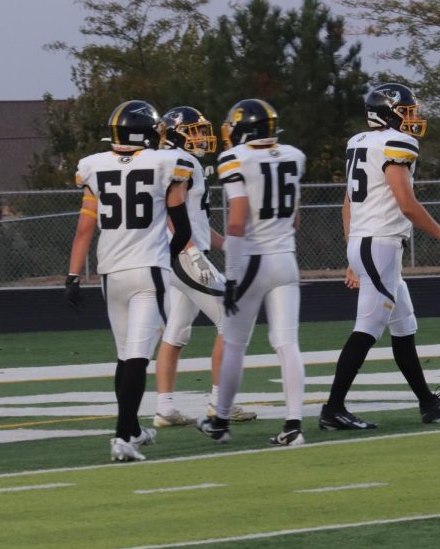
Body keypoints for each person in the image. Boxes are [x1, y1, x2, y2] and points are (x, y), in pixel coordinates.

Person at [319, 82, 440, 432]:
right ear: (387, 113)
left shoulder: (360, 142)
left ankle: (429, 403)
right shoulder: (396, 143)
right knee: (367, 328)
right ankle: (333, 408)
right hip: (380, 243)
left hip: (369, 242)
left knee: (404, 326)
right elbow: (407, 203)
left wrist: (351, 251)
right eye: (407, 111)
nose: (413, 118)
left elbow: (348, 202)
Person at [65, 99, 193, 461]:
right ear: (148, 133)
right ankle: (122, 438)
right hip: (147, 270)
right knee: (137, 357)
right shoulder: (166, 163)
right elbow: (181, 228)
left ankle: (132, 428)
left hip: (110, 273)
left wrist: (72, 277)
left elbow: (83, 230)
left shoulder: (93, 166)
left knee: (125, 356)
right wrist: (167, 259)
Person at [196, 99, 308, 446]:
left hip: (252, 261)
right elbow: (295, 218)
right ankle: (293, 425)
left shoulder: (236, 159)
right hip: (286, 259)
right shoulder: (294, 155)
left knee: (234, 343)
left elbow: (237, 219)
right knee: (287, 343)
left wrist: (231, 276)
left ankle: (221, 420)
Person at [152, 105, 257, 428]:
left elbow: (193, 219)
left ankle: (165, 408)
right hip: (184, 255)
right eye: (195, 130)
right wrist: (191, 251)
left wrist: (227, 244)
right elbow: (171, 213)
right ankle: (219, 403)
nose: (201, 136)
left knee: (176, 332)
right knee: (233, 317)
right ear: (175, 131)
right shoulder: (179, 161)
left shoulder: (176, 160)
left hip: (178, 254)